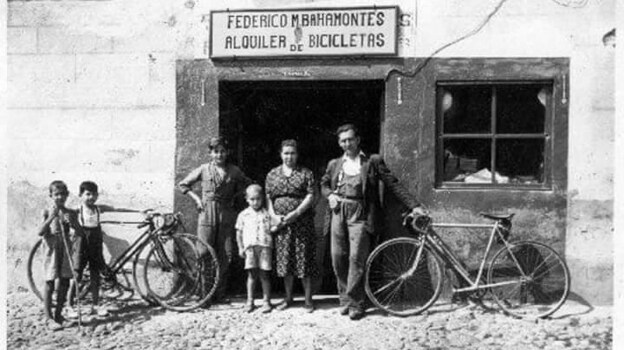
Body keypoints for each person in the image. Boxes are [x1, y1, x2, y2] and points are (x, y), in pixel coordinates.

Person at [320, 124, 427, 320]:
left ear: (358, 140)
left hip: (361, 213)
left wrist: (414, 205)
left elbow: (393, 183)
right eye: (343, 141)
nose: (347, 144)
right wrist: (329, 196)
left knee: (356, 258)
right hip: (338, 212)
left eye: (350, 139)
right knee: (337, 257)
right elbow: (324, 184)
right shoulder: (334, 164)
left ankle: (356, 303)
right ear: (339, 143)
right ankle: (344, 298)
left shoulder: (372, 161)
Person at [179, 137, 251, 303]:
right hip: (207, 212)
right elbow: (183, 185)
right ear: (210, 153)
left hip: (226, 213)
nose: (219, 155)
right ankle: (204, 295)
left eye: (222, 151)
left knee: (225, 254)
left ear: (227, 153)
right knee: (204, 252)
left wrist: (235, 197)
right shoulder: (204, 169)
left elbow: (248, 185)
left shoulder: (234, 171)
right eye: (216, 151)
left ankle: (220, 294)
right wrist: (197, 200)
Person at [265, 139, 318, 313]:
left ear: (297, 154)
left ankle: (308, 300)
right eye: (286, 153)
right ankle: (288, 298)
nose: (289, 156)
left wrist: (295, 214)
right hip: (282, 225)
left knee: (304, 260)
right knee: (285, 260)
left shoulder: (305, 173)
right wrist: (273, 216)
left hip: (301, 222)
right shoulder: (272, 174)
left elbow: (310, 196)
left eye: (292, 153)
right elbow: (268, 198)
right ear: (281, 154)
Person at [36, 180, 83, 330]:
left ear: (67, 195)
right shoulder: (46, 211)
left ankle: (59, 315)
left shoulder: (70, 212)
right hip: (51, 251)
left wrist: (73, 224)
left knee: (65, 282)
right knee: (50, 282)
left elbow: (80, 233)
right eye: (56, 194)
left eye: (63, 194)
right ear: (51, 195)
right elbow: (40, 232)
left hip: (65, 249)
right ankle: (48, 318)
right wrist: (51, 217)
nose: (60, 197)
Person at [235, 184, 274, 313]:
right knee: (251, 275)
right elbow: (239, 232)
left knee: (264, 275)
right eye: (252, 199)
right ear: (246, 199)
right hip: (250, 248)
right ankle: (250, 301)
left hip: (264, 247)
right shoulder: (243, 215)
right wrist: (241, 248)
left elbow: (273, 228)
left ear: (262, 198)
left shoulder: (267, 214)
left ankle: (266, 301)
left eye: (258, 199)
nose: (255, 202)